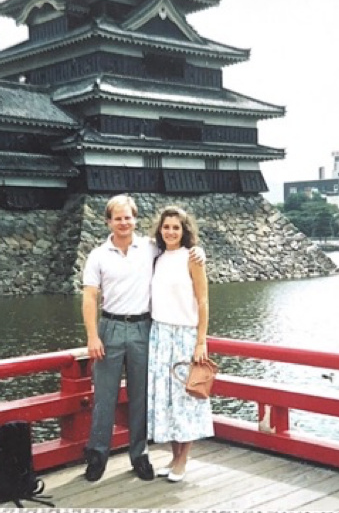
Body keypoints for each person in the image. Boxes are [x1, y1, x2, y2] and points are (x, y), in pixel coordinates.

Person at [81, 195, 203, 482]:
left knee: (140, 396)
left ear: (135, 219)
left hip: (142, 329)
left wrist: (200, 251)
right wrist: (91, 336)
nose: (124, 223)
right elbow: (89, 296)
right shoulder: (98, 255)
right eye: (118, 218)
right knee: (104, 396)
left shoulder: (150, 248)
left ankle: (139, 455)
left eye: (128, 217)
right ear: (108, 221)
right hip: (110, 327)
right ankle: (97, 455)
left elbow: (181, 247)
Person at [146, 206, 213, 483]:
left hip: (185, 335)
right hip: (160, 334)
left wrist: (201, 340)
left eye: (176, 227)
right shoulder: (158, 257)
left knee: (186, 397)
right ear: (160, 230)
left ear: (185, 231)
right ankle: (174, 457)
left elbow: (203, 301)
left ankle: (183, 460)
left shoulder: (193, 258)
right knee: (168, 398)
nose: (171, 232)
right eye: (166, 227)